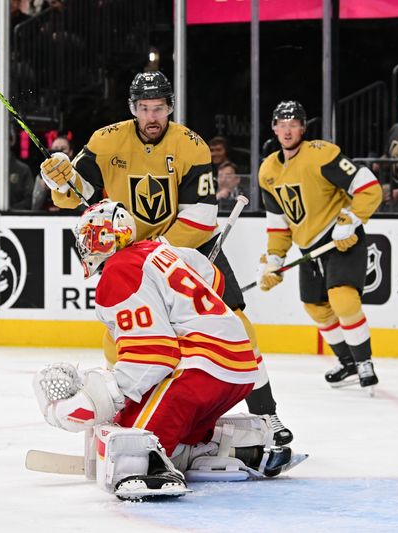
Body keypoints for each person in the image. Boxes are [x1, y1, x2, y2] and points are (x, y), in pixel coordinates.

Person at [38, 70, 293, 445]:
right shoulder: (106, 141)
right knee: (125, 336)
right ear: (133, 109)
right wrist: (59, 180)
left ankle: (266, 414)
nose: (152, 116)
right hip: (130, 255)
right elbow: (80, 192)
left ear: (170, 107)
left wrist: (158, 257)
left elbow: (201, 216)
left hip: (191, 253)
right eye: (144, 108)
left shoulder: (191, 145)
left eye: (158, 108)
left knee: (239, 326)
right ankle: (128, 412)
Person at [33, 200, 300, 501]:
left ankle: (155, 470)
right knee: (169, 425)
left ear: (104, 237)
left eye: (88, 236)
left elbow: (154, 356)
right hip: (238, 368)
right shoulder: (163, 250)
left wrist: (100, 397)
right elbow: (215, 277)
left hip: (203, 367)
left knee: (130, 441)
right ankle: (232, 449)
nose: (84, 245)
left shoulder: (119, 271)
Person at [257, 100, 382, 389]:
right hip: (309, 249)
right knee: (315, 306)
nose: (288, 130)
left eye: (294, 124)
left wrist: (351, 219)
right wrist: (274, 258)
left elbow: (367, 185)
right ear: (274, 129)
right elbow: (278, 222)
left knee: (343, 298)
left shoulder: (321, 154)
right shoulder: (268, 171)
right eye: (282, 124)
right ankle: (347, 362)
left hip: (340, 239)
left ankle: (364, 361)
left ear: (303, 127)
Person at [31, 135, 73, 211]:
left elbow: (81, 208)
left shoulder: (76, 174)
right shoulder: (42, 176)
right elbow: (35, 206)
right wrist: (43, 186)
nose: (59, 152)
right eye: (55, 149)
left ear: (70, 152)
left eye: (63, 149)